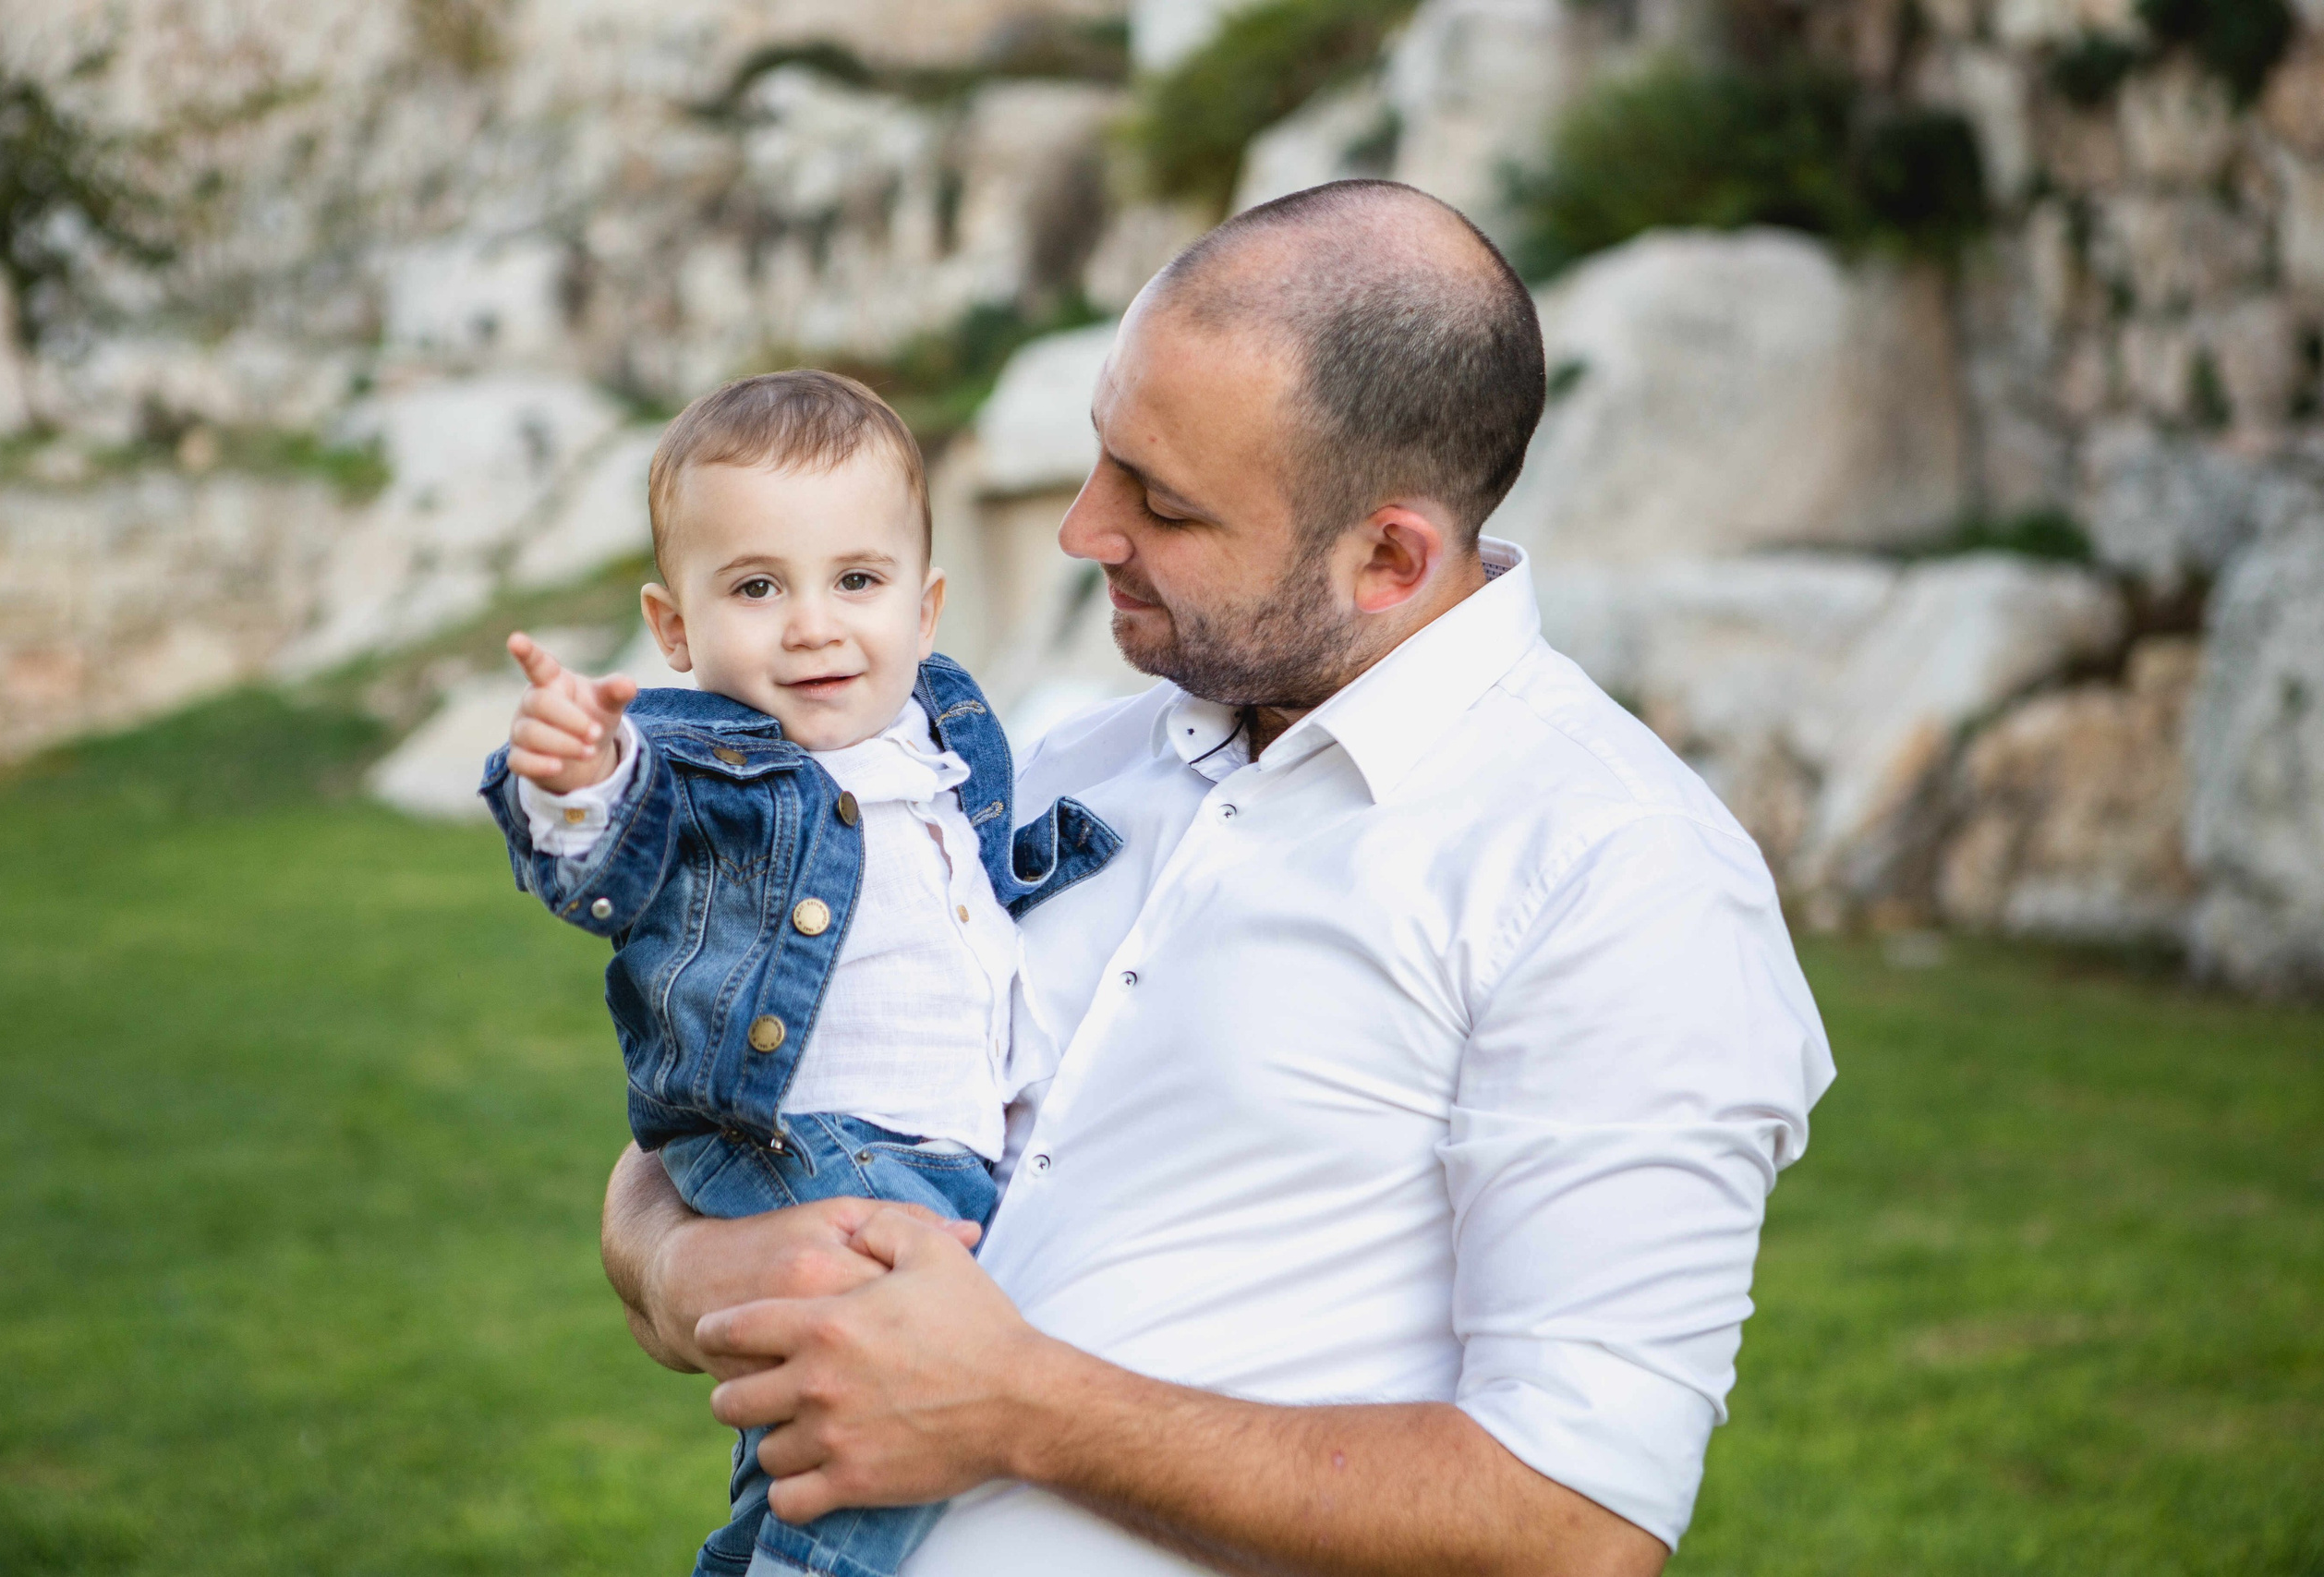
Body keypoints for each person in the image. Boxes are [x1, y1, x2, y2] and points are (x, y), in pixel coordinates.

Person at [600, 180, 1836, 1577]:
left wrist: (1018, 1414)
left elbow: (1573, 1524)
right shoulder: (1049, 770)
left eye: (1164, 505)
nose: (1081, 529)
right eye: (1103, 455)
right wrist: (682, 1264)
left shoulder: (1619, 878)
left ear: (1389, 556)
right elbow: (708, 1119)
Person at [478, 370, 1118, 1577]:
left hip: (922, 1142)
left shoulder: (939, 737)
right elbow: (614, 838)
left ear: (926, 609)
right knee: (929, 1350)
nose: (814, 623)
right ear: (675, 631)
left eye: (857, 582)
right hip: (800, 1131)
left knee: (819, 1419)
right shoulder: (712, 761)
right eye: (758, 587)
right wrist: (574, 775)